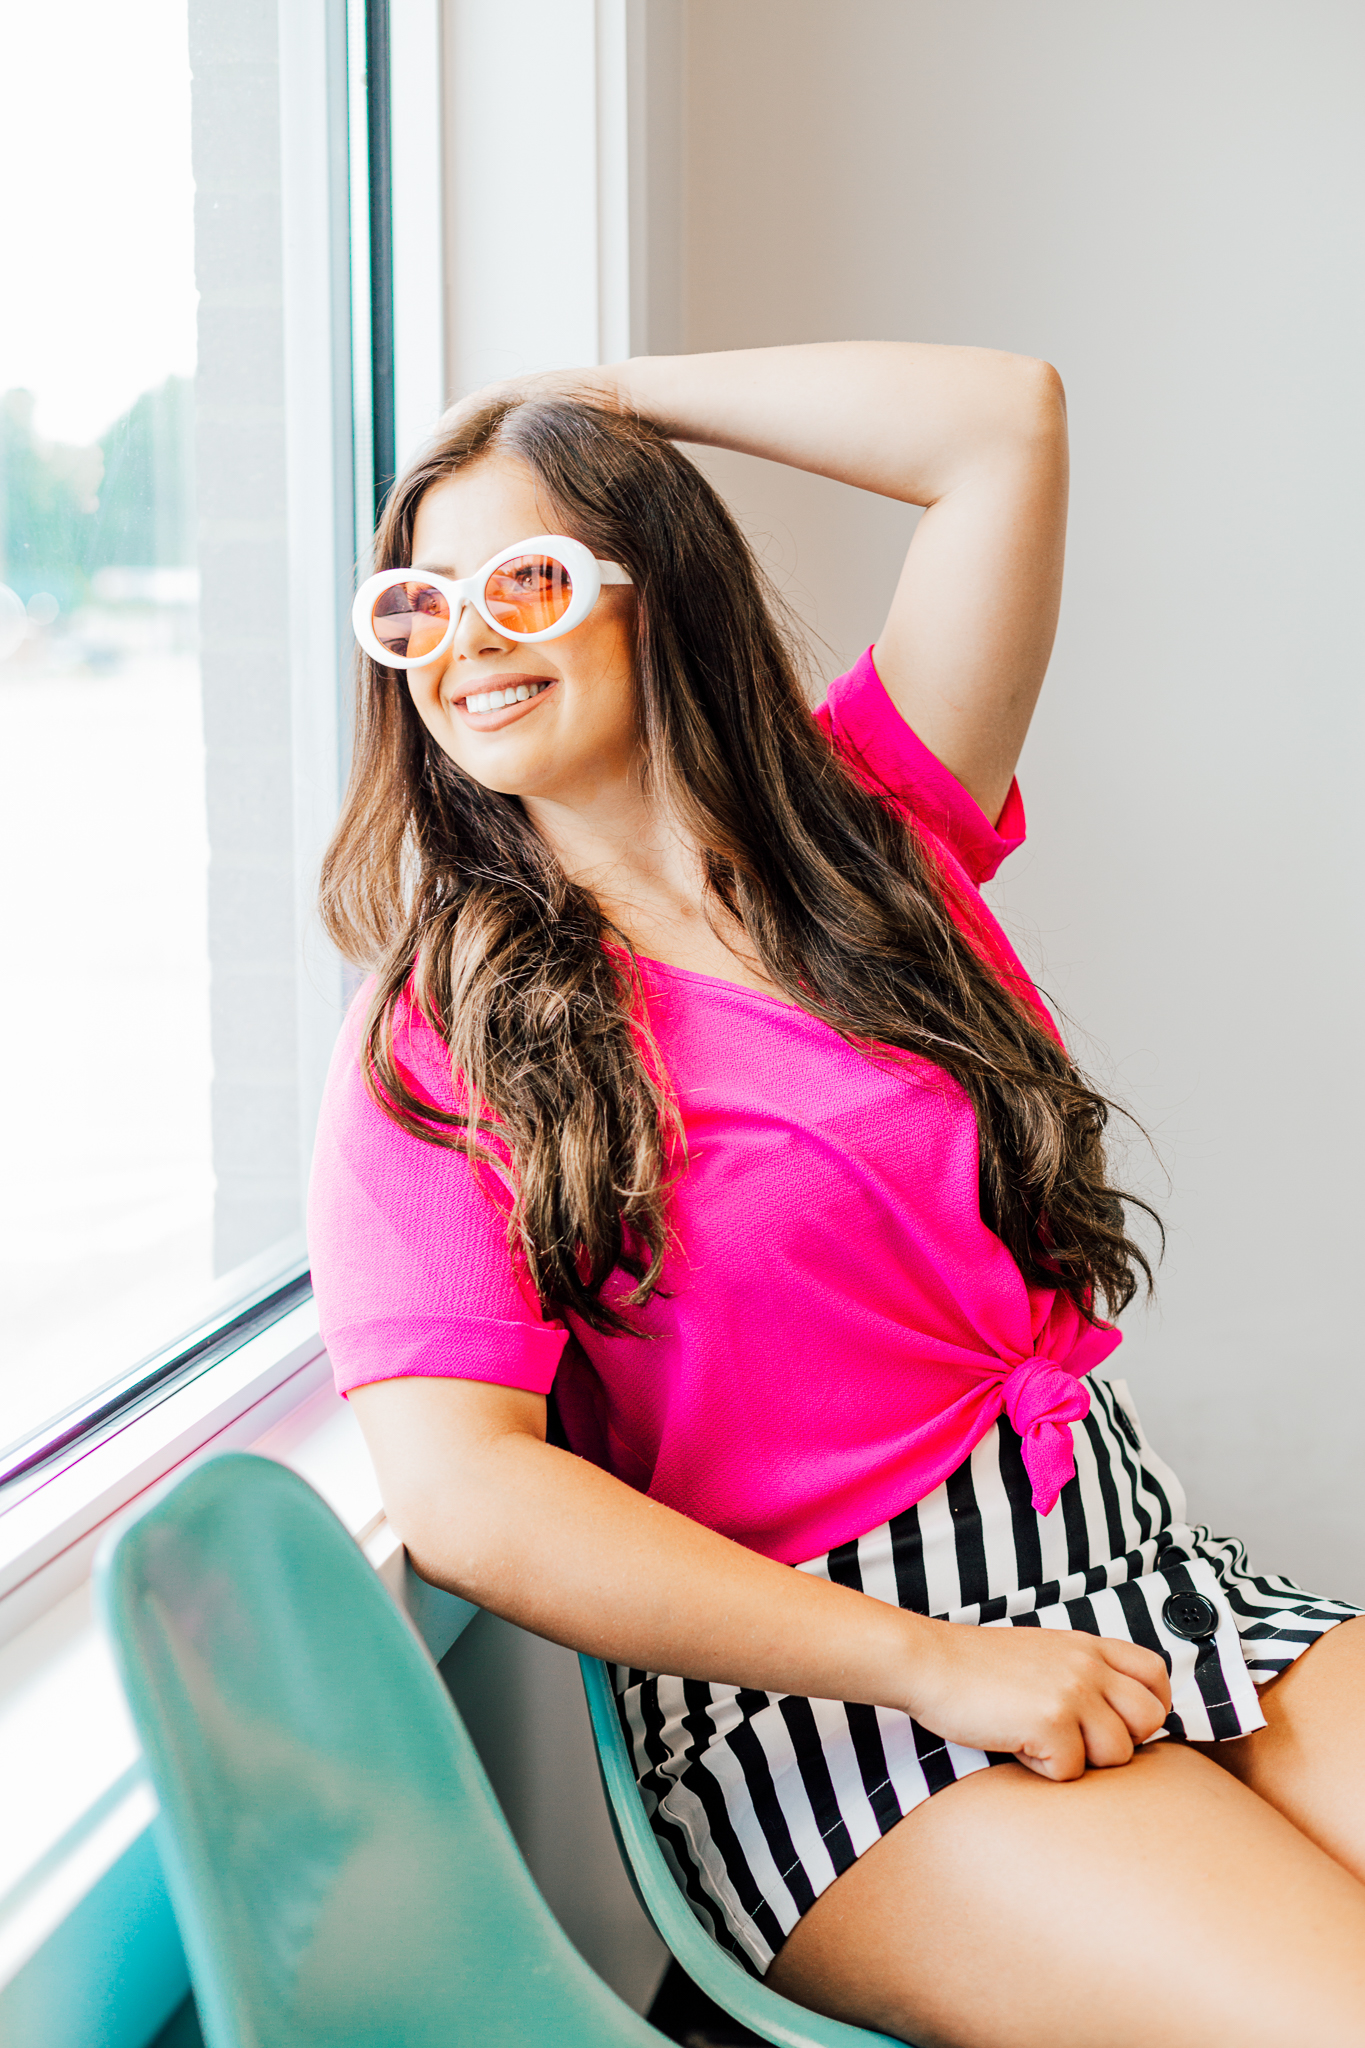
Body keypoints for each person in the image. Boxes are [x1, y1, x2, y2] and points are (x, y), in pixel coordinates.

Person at [308, 343, 1365, 2048]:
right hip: (822, 1714)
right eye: (417, 609)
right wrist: (939, 1666)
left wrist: (585, 394)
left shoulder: (871, 830)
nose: (467, 639)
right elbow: (471, 1506)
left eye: (525, 577)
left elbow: (1000, 425)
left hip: (1146, 1579)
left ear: (663, 593)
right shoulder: (439, 1038)